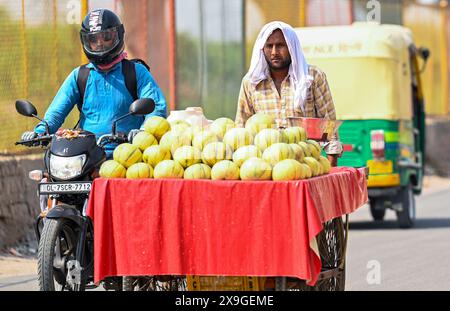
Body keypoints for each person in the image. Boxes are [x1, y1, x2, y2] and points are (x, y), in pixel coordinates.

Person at [21, 9, 167, 157]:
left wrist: (143, 132)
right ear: (86, 42)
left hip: (128, 156)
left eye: (106, 37)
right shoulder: (80, 75)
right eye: (93, 39)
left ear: (118, 36)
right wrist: (40, 131)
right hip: (86, 156)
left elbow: (156, 108)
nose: (100, 43)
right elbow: (56, 113)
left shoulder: (136, 72)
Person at [235, 21, 342, 166]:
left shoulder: (312, 77)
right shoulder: (251, 83)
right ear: (262, 49)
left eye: (280, 45)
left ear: (292, 47)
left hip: (306, 165)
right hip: (266, 168)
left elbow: (328, 126)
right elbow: (241, 128)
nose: (274, 52)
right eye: (269, 46)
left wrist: (330, 171)